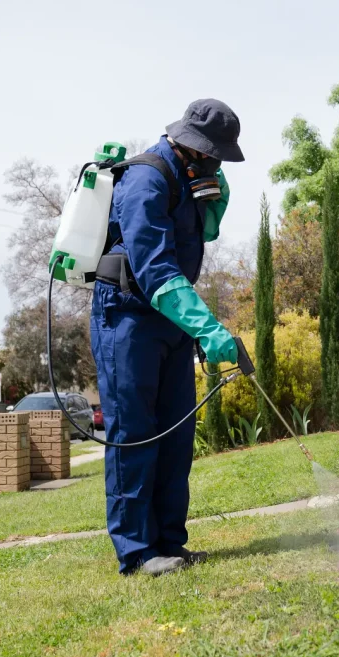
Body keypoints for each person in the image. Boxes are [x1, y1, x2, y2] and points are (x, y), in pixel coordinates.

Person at [91, 99, 243, 576]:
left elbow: (194, 246)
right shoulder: (146, 178)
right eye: (214, 155)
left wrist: (212, 207)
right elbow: (154, 268)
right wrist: (207, 326)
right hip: (128, 316)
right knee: (136, 433)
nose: (218, 164)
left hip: (171, 318)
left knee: (176, 434)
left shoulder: (190, 178)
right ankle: (136, 553)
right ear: (191, 147)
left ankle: (169, 545)